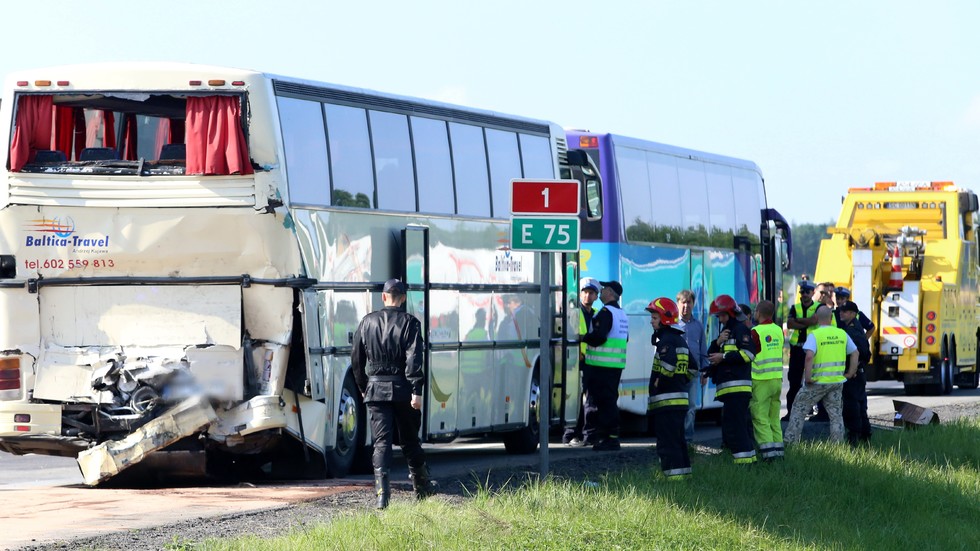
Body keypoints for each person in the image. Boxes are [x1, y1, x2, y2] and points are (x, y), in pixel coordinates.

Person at [351, 278, 435, 509]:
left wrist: (363, 387)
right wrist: (416, 390)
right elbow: (414, 358)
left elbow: (356, 360)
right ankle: (422, 488)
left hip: (375, 389)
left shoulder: (366, 322)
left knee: (381, 443)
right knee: (409, 441)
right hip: (403, 390)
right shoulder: (411, 323)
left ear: (384, 297)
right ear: (404, 298)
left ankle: (382, 496)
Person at [783, 306, 859, 444]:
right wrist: (850, 373)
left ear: (816, 319)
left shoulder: (815, 335)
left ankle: (790, 442)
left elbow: (809, 357)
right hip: (836, 382)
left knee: (798, 409)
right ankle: (838, 445)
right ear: (831, 318)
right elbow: (855, 353)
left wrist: (807, 378)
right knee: (836, 415)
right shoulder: (841, 333)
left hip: (817, 382)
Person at [704, 294, 757, 465]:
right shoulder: (726, 331)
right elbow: (712, 355)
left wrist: (724, 356)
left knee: (739, 429)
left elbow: (749, 354)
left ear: (729, 313)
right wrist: (717, 342)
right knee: (733, 428)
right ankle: (745, 461)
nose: (719, 319)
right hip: (729, 390)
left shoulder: (741, 330)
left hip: (738, 389)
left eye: (720, 315)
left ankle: (745, 465)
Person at [646, 297, 693, 480]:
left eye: (655, 317)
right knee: (679, 441)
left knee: (667, 443)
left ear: (665, 318)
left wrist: (659, 382)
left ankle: (673, 481)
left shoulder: (666, 341)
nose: (651, 321)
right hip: (680, 400)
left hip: (666, 402)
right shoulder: (680, 340)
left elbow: (669, 366)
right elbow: (693, 368)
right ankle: (684, 476)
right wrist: (681, 381)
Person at [583, 280, 629, 451]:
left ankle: (608, 439)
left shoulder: (605, 312)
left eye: (603, 290)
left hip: (600, 366)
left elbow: (599, 337)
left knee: (603, 403)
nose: (600, 292)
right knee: (609, 401)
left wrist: (583, 337)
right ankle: (610, 437)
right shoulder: (622, 314)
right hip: (615, 366)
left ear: (609, 292)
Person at [564, 277, 601, 446]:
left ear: (596, 296)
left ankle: (583, 434)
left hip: (590, 362)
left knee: (589, 399)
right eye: (585, 292)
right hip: (575, 361)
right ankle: (570, 433)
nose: (587, 296)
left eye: (591, 293)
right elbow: (572, 336)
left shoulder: (595, 314)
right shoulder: (575, 312)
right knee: (575, 397)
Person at [748, 300, 785, 460]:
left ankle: (769, 455)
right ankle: (779, 452)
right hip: (776, 380)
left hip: (760, 379)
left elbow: (750, 354)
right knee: (773, 418)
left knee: (760, 417)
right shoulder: (778, 330)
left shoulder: (755, 332)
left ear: (758, 313)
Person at [784, 279, 819, 420]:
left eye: (806, 292)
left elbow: (814, 321)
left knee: (814, 381)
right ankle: (791, 413)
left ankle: (811, 410)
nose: (804, 294)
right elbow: (791, 324)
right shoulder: (795, 308)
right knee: (794, 383)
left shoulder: (818, 307)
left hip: (812, 349)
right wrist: (807, 321)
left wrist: (800, 321)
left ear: (812, 293)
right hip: (797, 349)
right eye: (802, 292)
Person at [675, 290, 707, 445]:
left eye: (689, 302)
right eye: (683, 302)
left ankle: (687, 440)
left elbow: (703, 350)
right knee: (676, 407)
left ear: (693, 304)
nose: (686, 305)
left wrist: (704, 372)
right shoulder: (674, 325)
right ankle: (676, 438)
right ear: (678, 304)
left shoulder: (698, 326)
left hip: (693, 373)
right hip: (676, 373)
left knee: (691, 407)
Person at [838, 301, 872, 445]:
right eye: (841, 311)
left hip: (854, 374)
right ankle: (865, 434)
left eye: (845, 311)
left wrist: (854, 367)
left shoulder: (852, 330)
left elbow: (863, 352)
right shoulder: (853, 327)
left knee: (852, 406)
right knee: (859, 403)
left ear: (853, 313)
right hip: (858, 372)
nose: (841, 313)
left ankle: (855, 437)